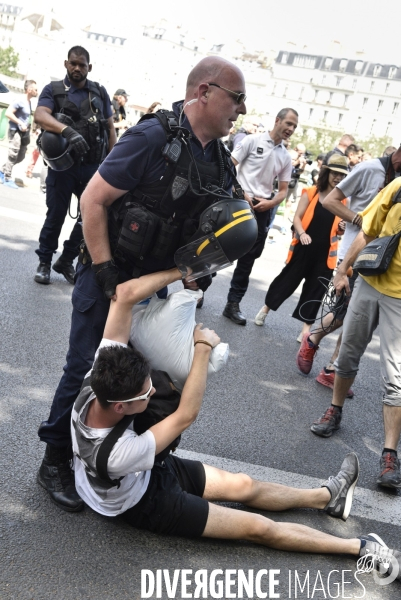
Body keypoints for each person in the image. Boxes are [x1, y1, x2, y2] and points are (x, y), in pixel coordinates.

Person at [68, 267, 401, 580]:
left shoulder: (100, 375)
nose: (153, 391)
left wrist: (183, 270)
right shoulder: (116, 453)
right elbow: (186, 415)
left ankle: (328, 497)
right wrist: (201, 348)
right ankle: (362, 547)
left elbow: (125, 294)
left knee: (244, 485)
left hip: (144, 469)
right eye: (146, 394)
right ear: (122, 406)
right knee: (258, 529)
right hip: (143, 502)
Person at [36, 56, 249, 511]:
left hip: (154, 286)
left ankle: (112, 456)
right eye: (237, 98)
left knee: (134, 379)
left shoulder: (218, 161)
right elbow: (94, 199)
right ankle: (55, 457)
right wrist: (105, 269)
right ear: (205, 92)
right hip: (110, 273)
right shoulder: (154, 136)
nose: (242, 110)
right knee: (85, 371)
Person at [310, 177, 401, 490]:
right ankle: (335, 410)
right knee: (347, 353)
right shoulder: (397, 187)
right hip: (371, 281)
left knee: (396, 378)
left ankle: (389, 454)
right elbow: (368, 232)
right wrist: (341, 272)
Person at [295, 146, 401, 386]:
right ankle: (312, 339)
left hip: (386, 260)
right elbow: (330, 201)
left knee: (359, 321)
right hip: (355, 253)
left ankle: (333, 368)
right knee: (346, 313)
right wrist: (359, 219)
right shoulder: (370, 169)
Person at [33, 46, 116, 286]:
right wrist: (67, 131)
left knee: (92, 218)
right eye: (73, 63)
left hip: (92, 168)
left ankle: (66, 260)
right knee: (55, 216)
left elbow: (110, 129)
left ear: (89, 67)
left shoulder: (99, 92)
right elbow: (40, 115)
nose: (77, 68)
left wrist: (113, 164)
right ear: (66, 64)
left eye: (82, 65)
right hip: (62, 167)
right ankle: (45, 262)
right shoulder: (54, 90)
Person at [253, 155, 348, 337]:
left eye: (342, 175)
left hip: (325, 254)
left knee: (316, 290)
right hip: (303, 248)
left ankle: (306, 330)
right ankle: (265, 309)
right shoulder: (311, 192)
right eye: (335, 173)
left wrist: (342, 227)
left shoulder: (343, 200)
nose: (338, 178)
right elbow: (297, 218)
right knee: (287, 281)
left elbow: (338, 229)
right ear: (327, 172)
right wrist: (302, 234)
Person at [223, 107, 296, 325]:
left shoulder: (285, 156)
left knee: (247, 261)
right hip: (238, 202)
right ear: (277, 120)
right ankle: (199, 290)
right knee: (220, 248)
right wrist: (241, 193)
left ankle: (233, 304)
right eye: (289, 124)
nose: (291, 129)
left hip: (262, 208)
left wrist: (271, 203)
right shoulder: (252, 141)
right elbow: (229, 167)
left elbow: (283, 190)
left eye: (294, 126)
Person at [0, 79, 38, 189]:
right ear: (29, 89)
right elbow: (8, 113)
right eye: (35, 89)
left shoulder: (28, 102)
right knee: (13, 154)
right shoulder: (20, 100)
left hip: (23, 133)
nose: (37, 91)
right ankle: (7, 177)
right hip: (15, 131)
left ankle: (2, 170)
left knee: (21, 156)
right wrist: (20, 122)